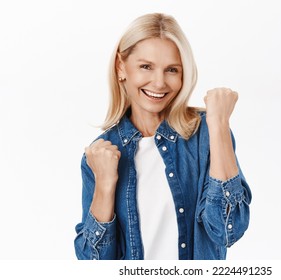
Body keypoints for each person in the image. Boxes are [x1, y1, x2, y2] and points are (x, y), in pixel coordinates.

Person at [74, 13, 251, 260]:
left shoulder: (206, 134)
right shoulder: (101, 152)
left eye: (172, 70)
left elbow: (227, 230)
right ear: (121, 67)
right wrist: (104, 183)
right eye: (146, 66)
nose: (159, 83)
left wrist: (219, 124)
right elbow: (94, 264)